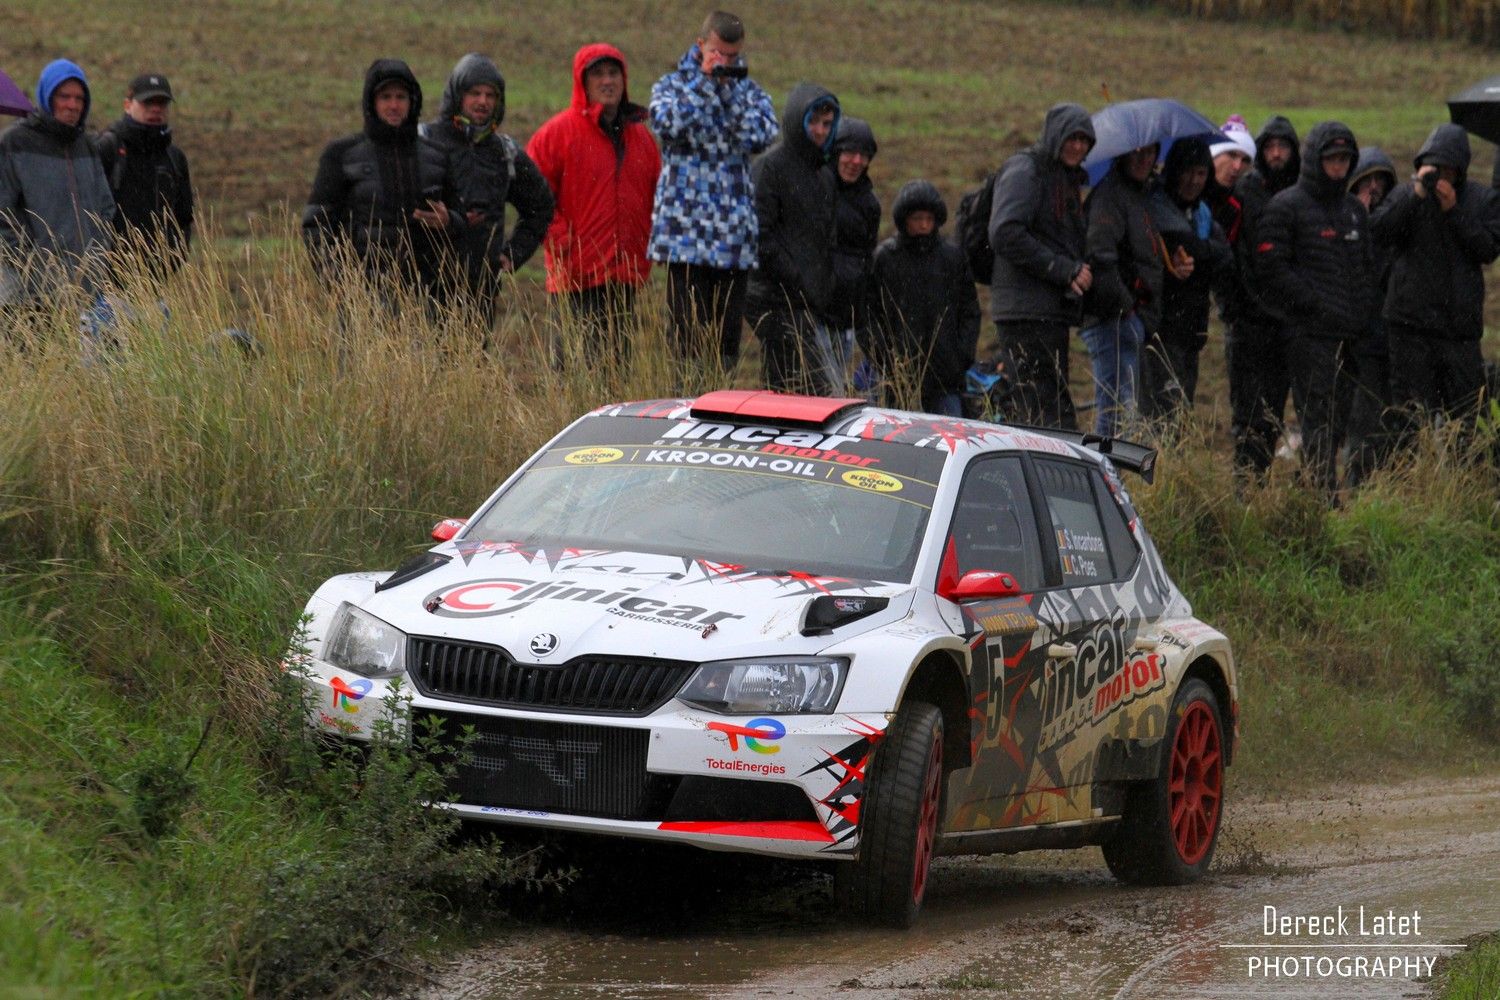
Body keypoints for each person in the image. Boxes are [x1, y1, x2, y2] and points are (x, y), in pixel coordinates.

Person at [647, 10, 778, 373]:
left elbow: (761, 136)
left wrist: (728, 93)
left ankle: (721, 402)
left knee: (724, 351)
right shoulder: (672, 87)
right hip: (685, 238)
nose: (725, 62)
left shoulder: (749, 94)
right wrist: (704, 86)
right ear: (700, 45)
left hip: (732, 240)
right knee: (686, 345)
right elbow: (666, 125)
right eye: (718, 53)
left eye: (733, 56)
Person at [1257, 122, 1376, 497]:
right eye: (1331, 158)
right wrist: (1312, 304)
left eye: (1345, 159)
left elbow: (1367, 268)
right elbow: (1271, 268)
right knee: (1317, 417)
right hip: (1309, 336)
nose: (1339, 166)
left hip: (1349, 336)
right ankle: (1323, 497)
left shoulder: (1354, 210)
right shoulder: (1286, 206)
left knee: (1340, 418)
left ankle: (1312, 489)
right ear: (1315, 160)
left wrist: (1361, 314)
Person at [527, 43, 661, 353]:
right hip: (575, 278)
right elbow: (530, 193)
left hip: (625, 278)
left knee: (617, 372)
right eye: (598, 74)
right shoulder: (557, 134)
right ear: (582, 82)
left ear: (624, 80)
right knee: (573, 371)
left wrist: (647, 246)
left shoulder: (642, 139)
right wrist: (561, 241)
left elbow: (658, 197)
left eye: (614, 73)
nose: (607, 81)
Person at [1371, 124, 1500, 442]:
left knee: (1467, 423)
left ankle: (1463, 473)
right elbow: (1380, 230)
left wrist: (1453, 211)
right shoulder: (1405, 195)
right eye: (1433, 168)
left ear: (1460, 170)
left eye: (1447, 170)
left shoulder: (1481, 200)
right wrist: (1415, 195)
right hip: (1409, 327)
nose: (1440, 176)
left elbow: (1487, 249)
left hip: (1458, 331)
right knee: (1410, 420)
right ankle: (1415, 471)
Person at [301, 59, 463, 308]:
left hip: (427, 301)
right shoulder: (341, 155)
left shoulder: (438, 156)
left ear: (413, 101)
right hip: (363, 302)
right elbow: (316, 227)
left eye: (401, 97)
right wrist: (340, 284)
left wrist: (448, 220)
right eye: (386, 97)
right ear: (372, 102)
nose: (394, 105)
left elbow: (463, 223)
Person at [421, 53, 553, 327]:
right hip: (420, 293)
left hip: (479, 298)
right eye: (475, 93)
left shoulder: (505, 153)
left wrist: (513, 253)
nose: (483, 101)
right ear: (458, 95)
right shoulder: (424, 142)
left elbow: (541, 206)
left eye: (490, 95)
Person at [987, 103, 1095, 429]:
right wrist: (1062, 269)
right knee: (1047, 418)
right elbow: (1005, 232)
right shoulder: (1026, 170)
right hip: (1025, 313)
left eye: (1084, 140)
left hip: (1045, 312)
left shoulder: (1062, 179)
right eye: (1071, 138)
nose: (1078, 146)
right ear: (1055, 136)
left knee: (1044, 413)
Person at [0, 58, 115, 329]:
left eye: (79, 98)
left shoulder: (86, 146)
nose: (72, 105)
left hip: (81, 293)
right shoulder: (14, 143)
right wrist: (28, 262)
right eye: (64, 96)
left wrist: (97, 259)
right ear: (47, 96)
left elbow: (105, 209)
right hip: (23, 295)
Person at [746, 82, 841, 394]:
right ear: (797, 119)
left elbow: (825, 239)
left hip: (805, 302)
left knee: (785, 390)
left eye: (827, 123)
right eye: (814, 122)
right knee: (816, 391)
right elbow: (759, 235)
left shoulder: (824, 174)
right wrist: (796, 278)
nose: (820, 131)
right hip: (772, 298)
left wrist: (822, 287)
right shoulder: (770, 167)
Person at [1226, 115, 1301, 485]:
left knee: (1273, 412)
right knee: (1248, 413)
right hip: (1249, 320)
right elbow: (1235, 254)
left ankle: (1259, 486)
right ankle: (1246, 488)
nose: (1276, 154)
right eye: (1269, 147)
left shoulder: (1303, 193)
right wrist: (1240, 306)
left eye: (1282, 147)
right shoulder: (1245, 191)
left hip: (1288, 321)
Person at [867, 180, 980, 415]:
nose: (924, 225)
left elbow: (969, 310)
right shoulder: (886, 258)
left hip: (945, 377)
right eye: (917, 219)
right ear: (904, 220)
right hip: (898, 378)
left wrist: (961, 358)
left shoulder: (952, 258)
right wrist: (883, 359)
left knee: (950, 433)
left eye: (929, 219)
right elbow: (869, 314)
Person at [1079, 143, 1165, 438]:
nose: (1144, 159)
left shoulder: (1136, 195)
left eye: (1150, 152)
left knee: (1124, 413)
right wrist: (1127, 310)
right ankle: (1106, 467)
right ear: (1123, 153)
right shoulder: (1110, 196)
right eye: (1137, 152)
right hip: (1111, 320)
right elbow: (1100, 256)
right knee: (1116, 414)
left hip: (1126, 319)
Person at [1142, 138, 1229, 425]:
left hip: (1192, 330)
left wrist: (1200, 252)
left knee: (1181, 413)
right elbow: (1193, 245)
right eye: (1188, 172)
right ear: (1174, 171)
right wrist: (1201, 251)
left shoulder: (1201, 213)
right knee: (1163, 416)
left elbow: (1224, 256)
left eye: (1201, 173)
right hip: (1161, 330)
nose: (1194, 181)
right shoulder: (1156, 206)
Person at [94, 72, 192, 282]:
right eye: (148, 102)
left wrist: (171, 262)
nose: (156, 109)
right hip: (104, 283)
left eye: (162, 103)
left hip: (155, 283)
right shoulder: (107, 148)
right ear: (127, 105)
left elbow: (184, 218)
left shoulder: (174, 158)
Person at [1343, 147, 1398, 487]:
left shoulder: (1397, 229)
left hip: (1390, 340)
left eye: (1380, 180)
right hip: (1355, 343)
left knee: (1389, 422)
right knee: (1360, 423)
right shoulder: (1343, 226)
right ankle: (1357, 487)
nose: (1373, 188)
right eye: (1366, 181)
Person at [826, 116, 879, 388]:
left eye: (863, 155)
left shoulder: (870, 205)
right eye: (849, 153)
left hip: (845, 317)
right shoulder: (817, 189)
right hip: (812, 314)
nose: (856, 161)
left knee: (834, 387)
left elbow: (867, 259)